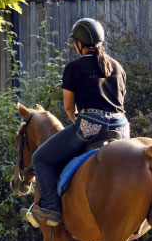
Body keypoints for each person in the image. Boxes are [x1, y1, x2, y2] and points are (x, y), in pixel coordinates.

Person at [29, 17, 129, 227]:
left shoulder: (74, 68)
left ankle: (51, 208)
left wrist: (79, 123)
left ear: (79, 43)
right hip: (121, 127)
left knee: (40, 158)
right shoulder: (118, 66)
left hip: (92, 125)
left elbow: (68, 107)